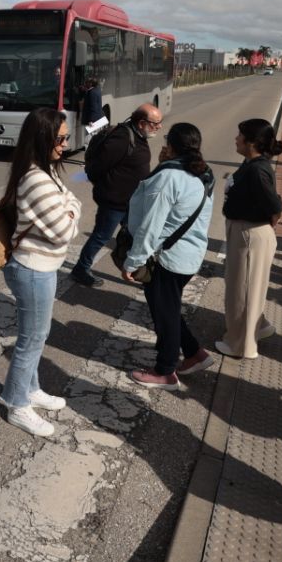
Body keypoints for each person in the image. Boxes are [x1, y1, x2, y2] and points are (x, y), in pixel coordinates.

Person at [0, 107, 81, 437]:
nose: (65, 144)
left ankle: (30, 389)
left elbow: (71, 199)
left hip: (39, 267)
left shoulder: (45, 172)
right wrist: (72, 211)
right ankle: (17, 404)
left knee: (38, 334)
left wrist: (70, 208)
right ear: (43, 138)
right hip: (33, 270)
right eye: (60, 139)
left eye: (66, 137)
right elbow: (63, 231)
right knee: (31, 339)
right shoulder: (36, 178)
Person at [123, 122, 216, 387]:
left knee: (164, 315)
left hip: (167, 258)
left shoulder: (169, 177)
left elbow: (151, 226)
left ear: (171, 145)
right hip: (189, 254)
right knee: (170, 309)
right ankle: (195, 354)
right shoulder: (203, 172)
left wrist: (133, 261)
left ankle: (165, 371)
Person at [216, 118, 282, 359]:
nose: (236, 138)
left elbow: (275, 205)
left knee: (241, 290)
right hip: (247, 231)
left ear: (252, 142)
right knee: (249, 286)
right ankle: (260, 326)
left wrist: (269, 219)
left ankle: (241, 345)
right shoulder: (253, 163)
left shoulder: (256, 170)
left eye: (240, 135)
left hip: (250, 233)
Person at [70, 104, 160, 287]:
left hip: (130, 202)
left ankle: (140, 271)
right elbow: (97, 168)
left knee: (136, 236)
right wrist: (109, 189)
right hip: (115, 203)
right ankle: (81, 269)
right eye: (155, 124)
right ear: (142, 123)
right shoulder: (122, 138)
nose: (158, 127)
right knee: (101, 236)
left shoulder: (138, 135)